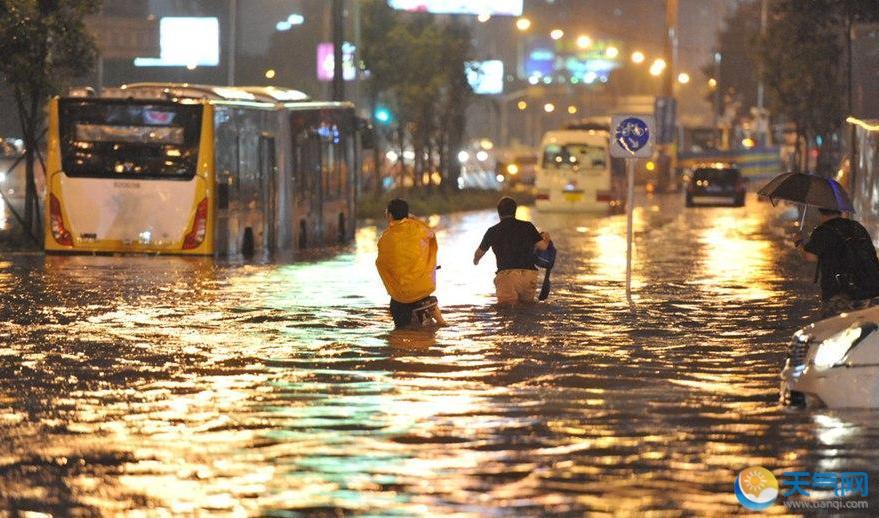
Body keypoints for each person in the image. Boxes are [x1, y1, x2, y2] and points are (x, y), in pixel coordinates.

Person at [795, 208, 879, 318]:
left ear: (820, 211)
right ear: (840, 210)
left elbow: (809, 256)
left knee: (834, 330)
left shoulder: (823, 231)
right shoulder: (857, 227)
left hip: (840, 294)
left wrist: (798, 242)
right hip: (870, 290)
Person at [376, 199, 446, 329]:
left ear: (390, 215)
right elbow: (431, 235)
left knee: (401, 331)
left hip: (401, 295)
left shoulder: (385, 238)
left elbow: (381, 264)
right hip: (423, 287)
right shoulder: (420, 229)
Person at [473, 196, 552, 305]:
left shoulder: (492, 231)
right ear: (515, 210)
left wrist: (475, 261)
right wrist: (547, 239)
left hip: (507, 276)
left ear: (499, 212)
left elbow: (479, 253)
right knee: (526, 311)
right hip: (528, 275)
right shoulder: (528, 226)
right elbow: (543, 247)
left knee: (506, 312)